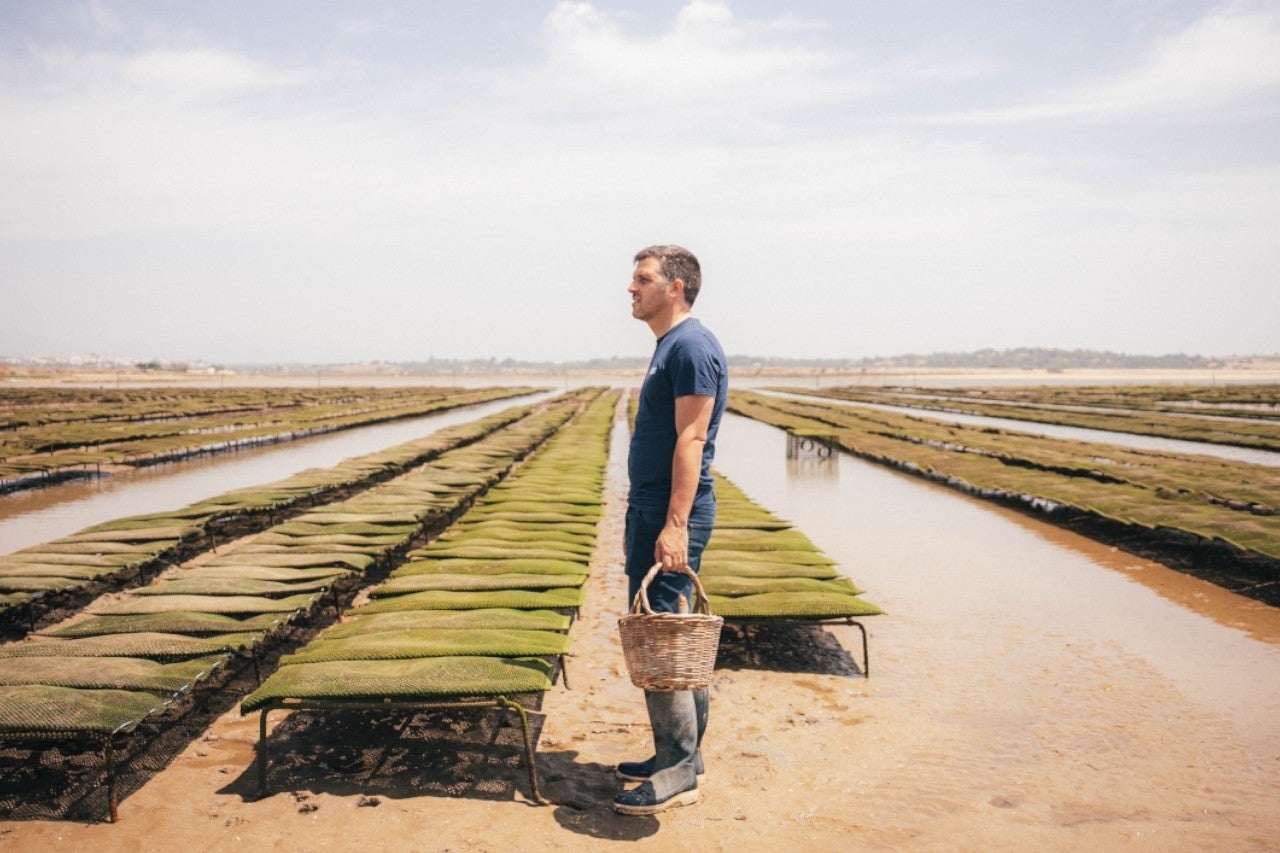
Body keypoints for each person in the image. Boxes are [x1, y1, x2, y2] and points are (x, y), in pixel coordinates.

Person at [613, 244, 728, 816]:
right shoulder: (669, 346)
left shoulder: (691, 346)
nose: (631, 289)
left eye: (642, 279)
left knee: (664, 636)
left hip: (672, 512)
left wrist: (675, 525)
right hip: (652, 508)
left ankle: (681, 766)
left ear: (675, 286)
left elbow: (691, 439)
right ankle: (677, 756)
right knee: (668, 631)